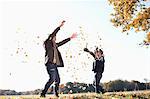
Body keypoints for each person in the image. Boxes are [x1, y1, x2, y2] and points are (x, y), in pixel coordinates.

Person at [41, 21, 77, 98]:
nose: (55, 38)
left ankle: (56, 94)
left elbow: (62, 42)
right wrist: (59, 26)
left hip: (54, 65)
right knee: (52, 79)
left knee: (57, 79)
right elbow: (53, 33)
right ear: (51, 38)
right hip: (50, 64)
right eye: (54, 37)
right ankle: (43, 93)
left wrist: (70, 38)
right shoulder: (48, 43)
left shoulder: (55, 45)